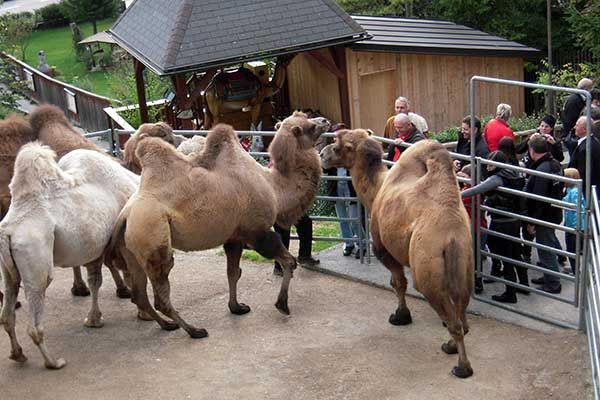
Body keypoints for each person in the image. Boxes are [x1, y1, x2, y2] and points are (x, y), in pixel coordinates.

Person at [461, 151, 527, 303]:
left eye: (490, 164)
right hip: (512, 219)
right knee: (514, 252)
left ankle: (510, 292)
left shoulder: (497, 177)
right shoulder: (511, 171)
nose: (488, 167)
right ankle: (523, 283)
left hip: (502, 221)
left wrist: (457, 195)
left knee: (505, 255)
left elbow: (477, 189)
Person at [525, 135, 564, 294]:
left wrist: (532, 221)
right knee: (546, 246)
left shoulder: (542, 170)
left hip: (545, 216)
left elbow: (538, 199)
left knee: (545, 248)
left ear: (532, 150)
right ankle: (549, 276)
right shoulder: (555, 164)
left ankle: (553, 282)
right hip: (554, 212)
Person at [456, 165, 487, 294]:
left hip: (475, 228)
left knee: (474, 257)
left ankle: (477, 283)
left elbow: (459, 198)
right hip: (473, 227)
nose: (460, 177)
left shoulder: (471, 192)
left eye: (464, 176)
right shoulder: (467, 188)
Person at [567, 115, 600, 198]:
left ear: (585, 129)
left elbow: (583, 174)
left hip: (586, 192)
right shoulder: (595, 142)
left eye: (577, 125)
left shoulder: (585, 149)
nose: (574, 127)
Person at [563, 168, 585, 276]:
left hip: (575, 227)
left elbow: (579, 210)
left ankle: (576, 270)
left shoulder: (575, 192)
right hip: (570, 223)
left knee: (573, 249)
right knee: (570, 248)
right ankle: (574, 268)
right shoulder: (569, 190)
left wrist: (576, 226)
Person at [562, 78, 593, 155]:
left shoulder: (581, 99)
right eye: (591, 87)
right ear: (587, 89)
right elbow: (569, 120)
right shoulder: (574, 101)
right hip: (573, 137)